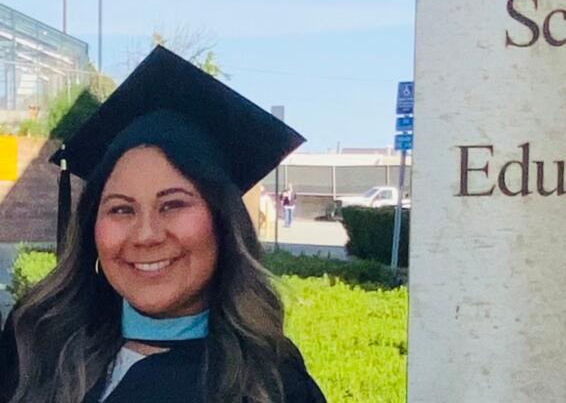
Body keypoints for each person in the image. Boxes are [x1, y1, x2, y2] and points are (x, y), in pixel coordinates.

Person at [0, 46, 326, 403]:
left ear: (222, 222)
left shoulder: (270, 386)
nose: (146, 234)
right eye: (121, 210)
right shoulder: (36, 341)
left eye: (173, 205)